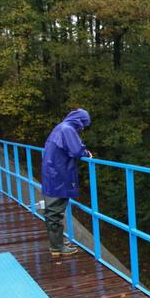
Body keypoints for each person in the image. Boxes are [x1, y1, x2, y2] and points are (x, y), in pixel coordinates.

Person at [41, 109, 93, 256]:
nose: (82, 128)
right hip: (58, 175)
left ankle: (57, 243)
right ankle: (56, 247)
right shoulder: (68, 130)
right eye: (83, 124)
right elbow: (76, 150)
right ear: (79, 121)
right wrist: (86, 153)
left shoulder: (61, 127)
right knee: (54, 212)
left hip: (53, 173)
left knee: (53, 211)